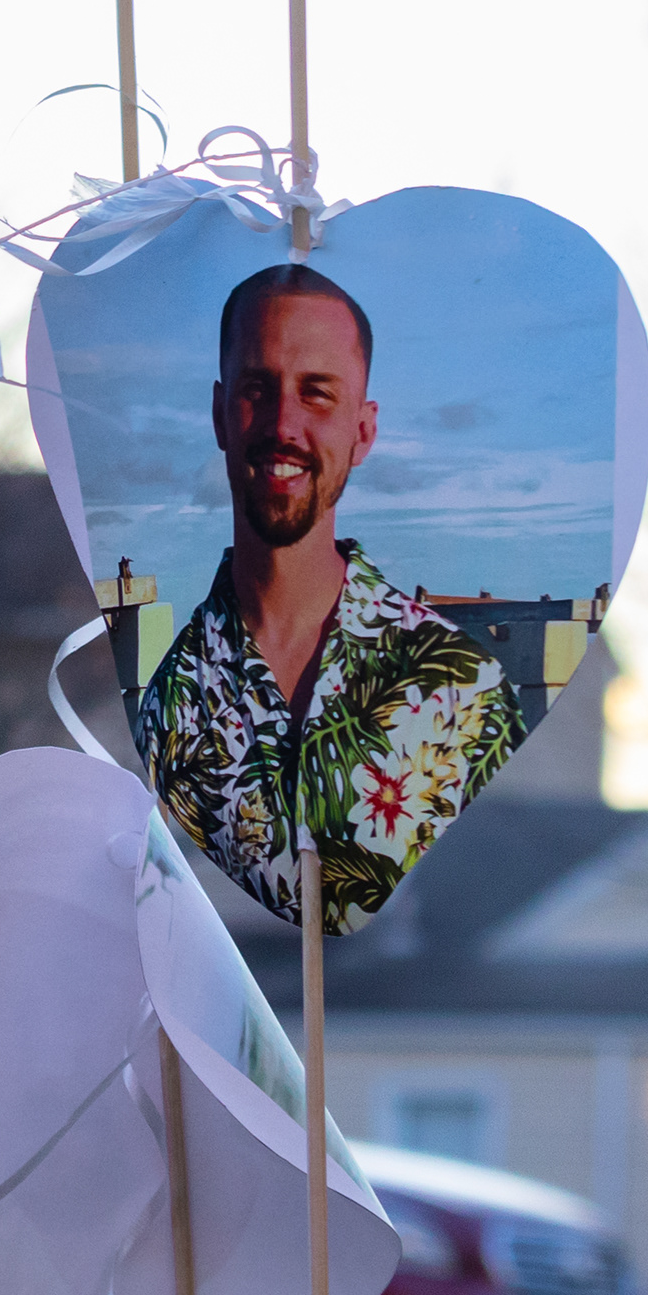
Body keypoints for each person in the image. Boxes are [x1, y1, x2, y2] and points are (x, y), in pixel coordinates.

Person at [130, 260, 523, 934]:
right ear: (220, 415)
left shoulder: (461, 687)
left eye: (317, 394)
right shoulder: (166, 706)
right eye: (258, 390)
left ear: (363, 432)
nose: (284, 423)